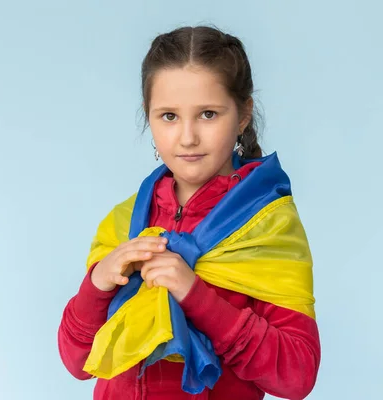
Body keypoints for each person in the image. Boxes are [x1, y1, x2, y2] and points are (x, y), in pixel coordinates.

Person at [57, 25, 320, 400]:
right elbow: (77, 361)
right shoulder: (126, 221)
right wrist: (98, 283)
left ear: (243, 115)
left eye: (208, 114)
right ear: (148, 117)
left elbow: (297, 377)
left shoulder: (265, 226)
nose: (187, 137)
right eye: (168, 116)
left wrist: (195, 295)